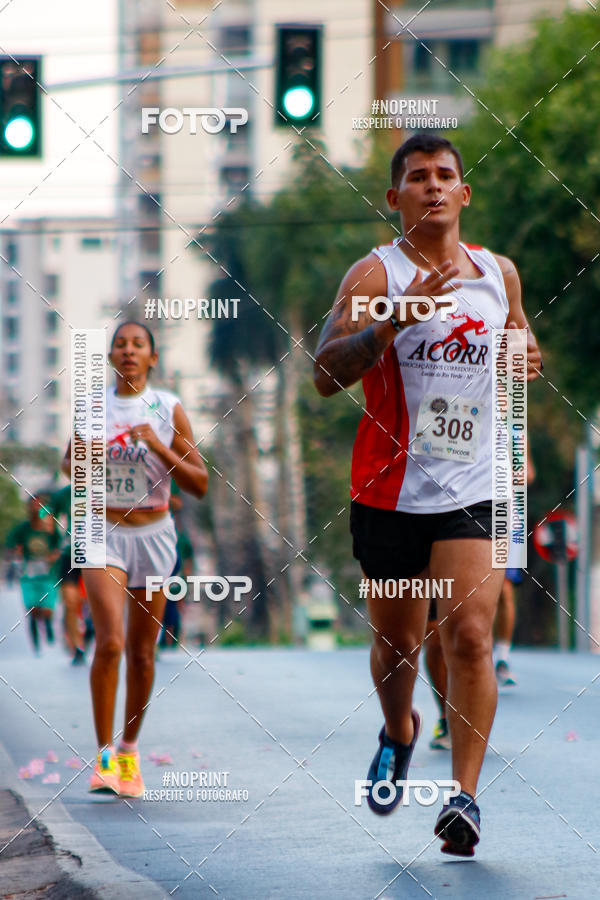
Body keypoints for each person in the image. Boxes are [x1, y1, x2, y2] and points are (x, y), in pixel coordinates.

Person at [314, 134, 542, 856]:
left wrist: (527, 351)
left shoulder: (497, 273)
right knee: (396, 648)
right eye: (418, 178)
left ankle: (465, 799)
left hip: (473, 484)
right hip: (389, 490)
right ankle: (399, 729)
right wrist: (392, 322)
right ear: (395, 198)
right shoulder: (372, 273)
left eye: (447, 176)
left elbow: (517, 342)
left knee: (470, 636)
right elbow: (324, 372)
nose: (434, 186)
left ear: (464, 195)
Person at [62, 321, 208, 798]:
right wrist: (91, 457)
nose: (128, 351)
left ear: (152, 358)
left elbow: (199, 482)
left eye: (137, 345)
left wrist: (158, 446)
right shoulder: (93, 406)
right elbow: (69, 464)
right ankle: (103, 757)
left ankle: (128, 751)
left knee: (144, 655)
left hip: (155, 533)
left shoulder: (168, 408)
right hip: (101, 529)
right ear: (110, 358)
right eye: (120, 345)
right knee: (110, 643)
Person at [494, 439, 536, 686]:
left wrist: (509, 471)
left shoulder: (516, 430)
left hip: (506, 515)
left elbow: (527, 474)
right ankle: (473, 654)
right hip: (469, 510)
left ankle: (502, 659)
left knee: (504, 590)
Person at [6, 494, 61, 654]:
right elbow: (11, 543)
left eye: (40, 505)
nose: (36, 508)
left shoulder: (51, 528)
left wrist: (54, 555)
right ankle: (36, 642)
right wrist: (15, 549)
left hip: (48, 575)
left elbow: (61, 545)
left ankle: (48, 625)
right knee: (32, 610)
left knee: (47, 609)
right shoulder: (23, 528)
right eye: (33, 504)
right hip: (29, 574)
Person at [50, 484, 86, 665]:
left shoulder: (106, 488)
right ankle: (77, 647)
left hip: (100, 553)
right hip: (70, 553)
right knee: (71, 601)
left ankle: (93, 634)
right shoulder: (63, 494)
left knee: (98, 602)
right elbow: (48, 517)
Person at [159, 487, 194, 650]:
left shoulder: (180, 539)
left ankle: (170, 639)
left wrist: (186, 581)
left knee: (172, 604)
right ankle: (160, 639)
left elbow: (188, 561)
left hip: (174, 575)